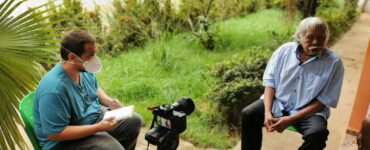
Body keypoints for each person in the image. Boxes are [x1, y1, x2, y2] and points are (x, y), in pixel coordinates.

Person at [241, 17, 344, 150]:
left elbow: (323, 101)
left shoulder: (334, 63)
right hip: (278, 103)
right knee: (249, 114)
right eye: (310, 37)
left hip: (308, 111)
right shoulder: (284, 51)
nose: (316, 42)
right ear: (299, 37)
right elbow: (270, 83)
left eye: (321, 38)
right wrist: (267, 112)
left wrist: (290, 119)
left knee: (318, 134)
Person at [33, 29, 142, 150]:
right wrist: (98, 128)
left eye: (94, 53)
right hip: (62, 142)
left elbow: (94, 88)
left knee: (133, 121)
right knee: (112, 148)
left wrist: (109, 102)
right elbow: (55, 134)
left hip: (91, 119)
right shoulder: (53, 89)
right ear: (72, 57)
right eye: (91, 54)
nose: (94, 59)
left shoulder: (82, 69)